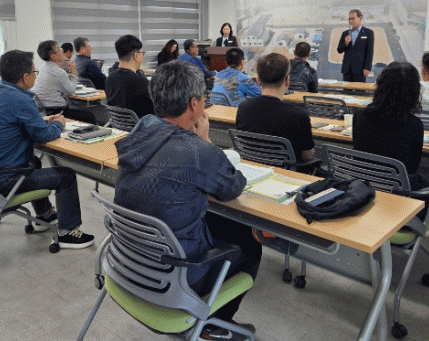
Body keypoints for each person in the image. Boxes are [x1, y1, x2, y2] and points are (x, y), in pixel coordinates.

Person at [114, 61, 260, 341]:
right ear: (194, 104)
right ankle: (211, 325)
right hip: (175, 278)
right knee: (250, 243)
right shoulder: (197, 151)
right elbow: (233, 187)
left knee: (214, 220)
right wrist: (205, 140)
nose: (205, 106)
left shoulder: (141, 129)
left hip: (130, 262)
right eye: (204, 99)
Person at [0, 50, 94, 249]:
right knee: (66, 176)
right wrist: (59, 124)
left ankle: (44, 215)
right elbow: (43, 136)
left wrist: (44, 121)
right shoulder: (20, 99)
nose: (36, 76)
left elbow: (18, 122)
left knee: (35, 162)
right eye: (34, 72)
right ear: (25, 77)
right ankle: (67, 233)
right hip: (3, 179)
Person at [236, 53, 317, 171]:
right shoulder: (299, 115)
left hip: (254, 171)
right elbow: (308, 156)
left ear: (258, 81)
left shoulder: (243, 108)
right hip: (288, 176)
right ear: (287, 81)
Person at [353, 62, 423, 175]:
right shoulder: (415, 124)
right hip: (396, 184)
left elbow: (358, 151)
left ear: (380, 85)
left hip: (362, 180)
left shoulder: (359, 115)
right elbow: (413, 169)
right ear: (414, 91)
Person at [105, 35, 154, 118]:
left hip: (118, 125)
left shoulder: (110, 78)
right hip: (142, 125)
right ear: (136, 56)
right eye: (142, 53)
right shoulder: (141, 82)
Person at [32, 40, 78, 115]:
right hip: (56, 111)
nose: (62, 50)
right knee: (89, 116)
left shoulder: (42, 67)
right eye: (59, 49)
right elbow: (71, 91)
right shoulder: (58, 72)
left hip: (43, 110)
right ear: (53, 56)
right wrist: (73, 73)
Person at [336, 9, 374, 82]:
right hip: (347, 69)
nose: (351, 21)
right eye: (349, 19)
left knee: (359, 89)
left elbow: (370, 51)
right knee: (346, 89)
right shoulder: (345, 33)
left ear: (360, 18)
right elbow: (339, 50)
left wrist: (367, 67)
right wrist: (346, 43)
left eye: (353, 18)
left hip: (361, 69)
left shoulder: (368, 32)